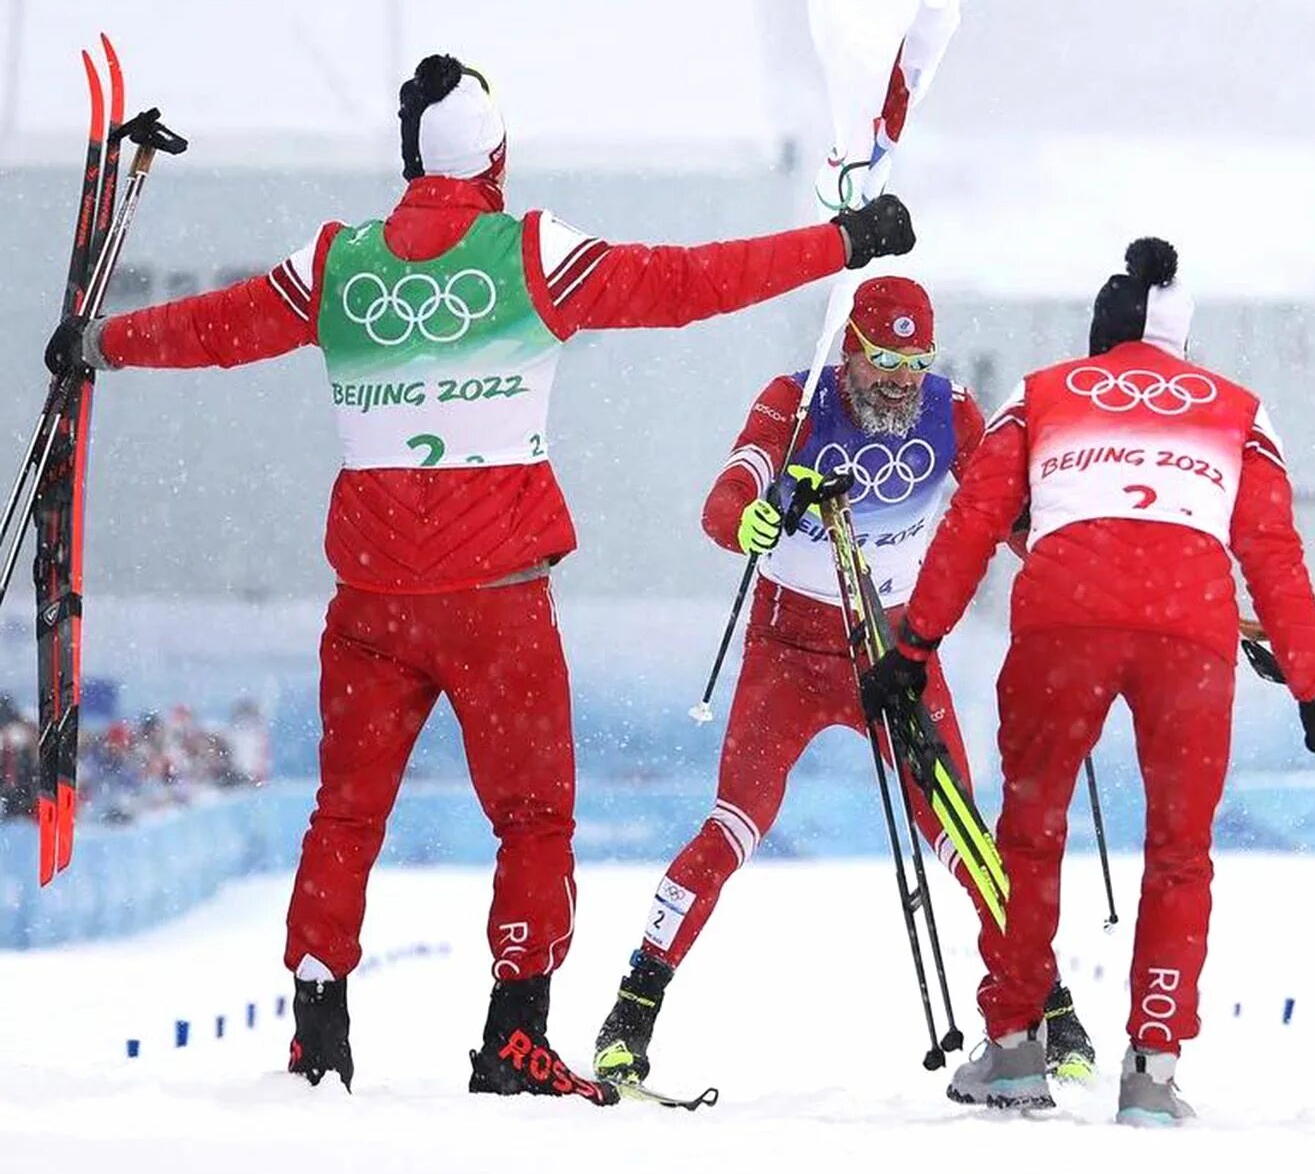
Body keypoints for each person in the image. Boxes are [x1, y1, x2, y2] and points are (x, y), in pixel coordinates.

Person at [41, 54, 915, 1103]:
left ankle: (317, 1032)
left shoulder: (339, 260)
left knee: (344, 815)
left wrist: (104, 344)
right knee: (533, 820)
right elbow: (693, 284)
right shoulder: (533, 252)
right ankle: (515, 1032)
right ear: (496, 153)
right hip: (497, 603)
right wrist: (842, 244)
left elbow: (215, 327)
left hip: (371, 603)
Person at [861, 238, 1315, 1125]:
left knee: (1031, 831)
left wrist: (912, 648)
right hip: (1191, 629)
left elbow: (975, 521)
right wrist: (1312, 682)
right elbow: (1273, 553)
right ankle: (1153, 1069)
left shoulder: (1042, 392)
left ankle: (1014, 1048)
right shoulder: (1242, 409)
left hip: (1063, 617)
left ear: (1104, 329)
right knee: (1179, 852)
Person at [592, 275, 1094, 1088]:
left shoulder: (952, 410)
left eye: (916, 359)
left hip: (892, 652)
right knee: (732, 825)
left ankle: (1052, 1005)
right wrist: (745, 519)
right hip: (788, 650)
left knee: (967, 836)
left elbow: (1010, 517)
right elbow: (727, 497)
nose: (901, 377)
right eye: (885, 357)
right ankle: (630, 1011)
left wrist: (1074, 567)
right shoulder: (795, 401)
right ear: (851, 349)